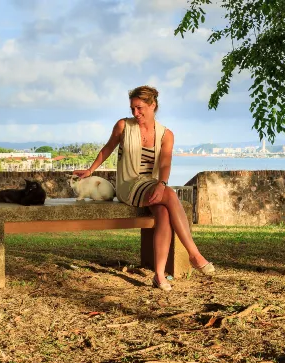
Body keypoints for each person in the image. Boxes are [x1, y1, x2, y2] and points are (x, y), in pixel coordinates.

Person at [73, 85, 215, 291]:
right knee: (170, 194)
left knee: (163, 213)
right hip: (128, 185)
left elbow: (165, 164)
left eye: (139, 108)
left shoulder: (166, 135)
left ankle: (159, 276)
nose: (135, 113)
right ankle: (194, 253)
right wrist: (90, 170)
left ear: (153, 105)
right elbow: (107, 149)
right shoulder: (123, 126)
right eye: (132, 109)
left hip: (151, 184)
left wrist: (160, 184)